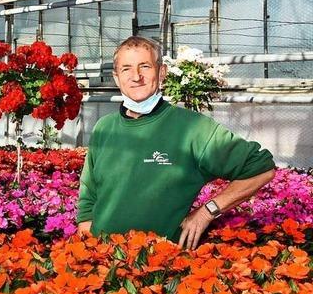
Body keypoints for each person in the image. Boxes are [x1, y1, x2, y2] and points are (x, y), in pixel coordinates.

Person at [77, 36, 275, 249]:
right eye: (126, 69)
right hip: (103, 259)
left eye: (145, 66)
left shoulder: (192, 128)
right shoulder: (104, 128)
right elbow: (89, 189)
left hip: (159, 266)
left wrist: (207, 212)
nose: (136, 76)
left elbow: (261, 168)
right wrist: (87, 228)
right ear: (116, 78)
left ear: (161, 72)